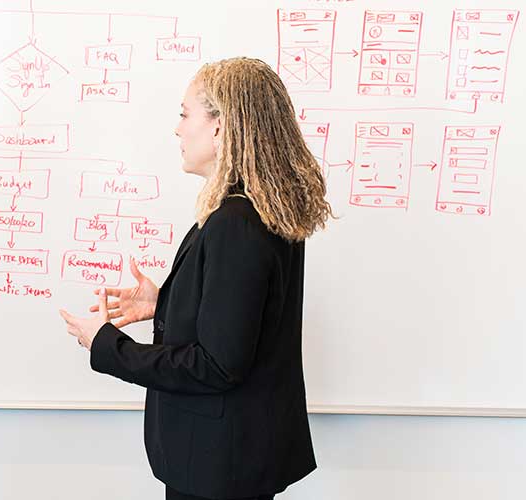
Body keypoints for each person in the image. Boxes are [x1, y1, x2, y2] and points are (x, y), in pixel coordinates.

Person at [59, 57, 332, 500]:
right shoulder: (265, 210)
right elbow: (241, 322)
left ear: (221, 127)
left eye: (186, 114)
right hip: (235, 459)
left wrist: (108, 345)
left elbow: (217, 365)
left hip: (219, 468)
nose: (178, 129)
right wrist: (163, 302)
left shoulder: (236, 222)